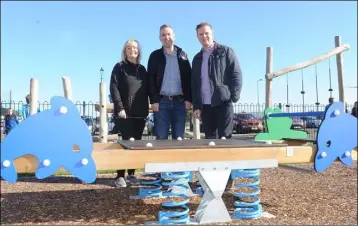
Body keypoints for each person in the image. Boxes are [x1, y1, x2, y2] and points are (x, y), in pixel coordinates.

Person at [191, 22, 243, 139]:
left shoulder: (226, 51)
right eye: (201, 34)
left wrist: (234, 95)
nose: (204, 36)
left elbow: (237, 74)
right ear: (197, 37)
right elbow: (194, 84)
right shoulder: (197, 58)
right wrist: (196, 106)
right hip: (205, 107)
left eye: (206, 33)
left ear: (212, 34)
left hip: (223, 103)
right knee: (210, 139)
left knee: (225, 139)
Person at [109, 39, 150, 188]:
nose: (132, 50)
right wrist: (119, 107)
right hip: (124, 112)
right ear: (125, 51)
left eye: (134, 48)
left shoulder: (142, 69)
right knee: (125, 143)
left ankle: (132, 174)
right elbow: (114, 87)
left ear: (138, 51)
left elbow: (148, 89)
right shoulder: (119, 68)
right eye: (128, 48)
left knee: (136, 144)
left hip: (140, 113)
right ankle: (120, 175)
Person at [147, 24, 192, 140]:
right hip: (161, 103)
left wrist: (188, 99)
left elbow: (188, 78)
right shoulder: (154, 56)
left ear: (174, 36)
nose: (166, 37)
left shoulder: (183, 55)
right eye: (163, 35)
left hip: (180, 103)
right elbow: (150, 80)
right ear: (160, 38)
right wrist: (154, 100)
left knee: (179, 138)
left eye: (169, 34)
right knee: (161, 138)